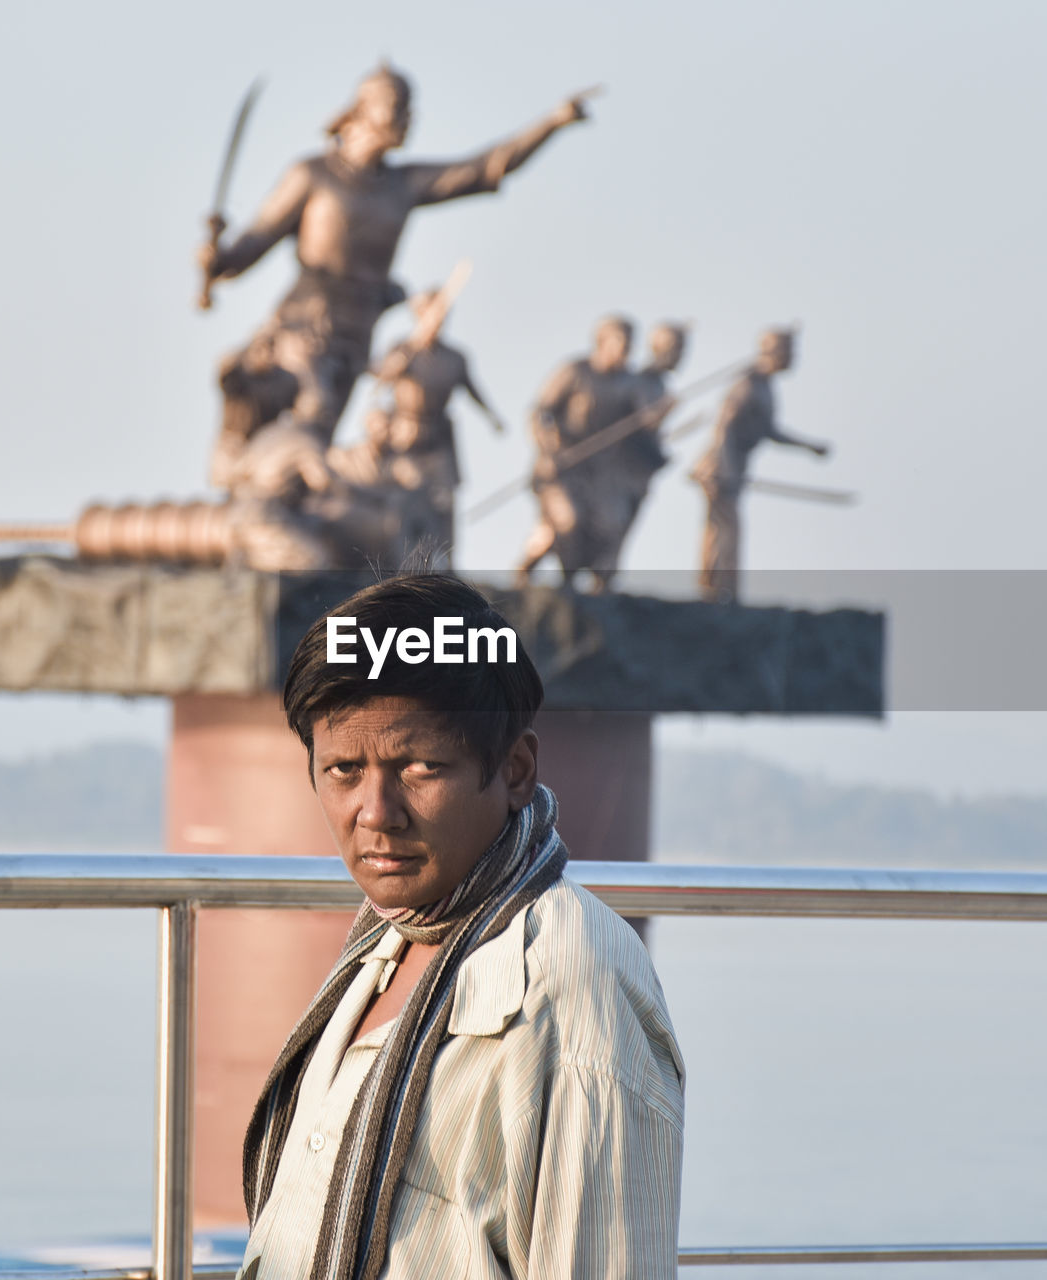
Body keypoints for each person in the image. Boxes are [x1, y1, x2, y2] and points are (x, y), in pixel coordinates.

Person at [237, 575, 685, 1279]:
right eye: (343, 770)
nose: (375, 811)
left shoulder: (573, 985)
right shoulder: (386, 945)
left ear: (513, 769)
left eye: (419, 767)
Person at [202, 66, 591, 445]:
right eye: (396, 105)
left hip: (358, 328)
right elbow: (252, 245)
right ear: (361, 109)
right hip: (306, 323)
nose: (408, 117)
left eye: (409, 107)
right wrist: (217, 260)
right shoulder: (313, 174)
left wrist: (552, 122)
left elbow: (485, 168)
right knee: (307, 415)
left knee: (321, 437)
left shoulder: (400, 186)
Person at [690, 328, 830, 602]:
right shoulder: (748, 384)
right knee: (724, 529)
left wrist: (808, 446)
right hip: (719, 468)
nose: (793, 358)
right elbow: (724, 428)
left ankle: (722, 588)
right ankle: (716, 589)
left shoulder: (765, 386)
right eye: (789, 352)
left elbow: (769, 430)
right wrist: (726, 469)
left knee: (726, 529)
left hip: (732, 468)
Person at [370, 286, 507, 555]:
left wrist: (493, 418)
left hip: (439, 438)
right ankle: (399, 557)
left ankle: (447, 560)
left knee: (444, 501)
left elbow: (472, 389)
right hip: (404, 439)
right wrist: (395, 365)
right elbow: (379, 377)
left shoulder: (455, 358)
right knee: (408, 496)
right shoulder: (403, 350)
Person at [515, 315, 643, 590]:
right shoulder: (574, 371)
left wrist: (657, 414)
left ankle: (596, 586)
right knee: (568, 522)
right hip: (563, 469)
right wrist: (549, 448)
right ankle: (548, 577)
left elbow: (642, 425)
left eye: (630, 344)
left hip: (600, 473)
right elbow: (539, 413)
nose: (625, 350)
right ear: (602, 342)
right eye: (620, 342)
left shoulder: (630, 384)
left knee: (610, 524)